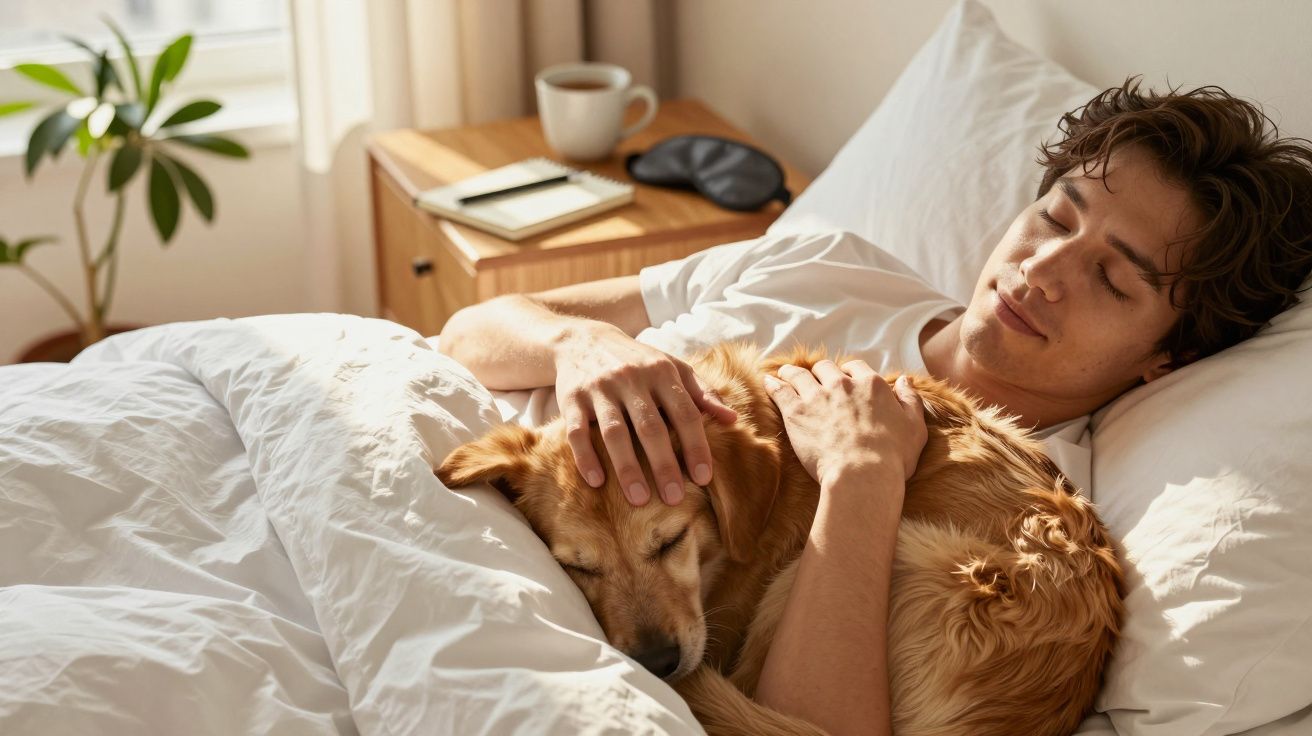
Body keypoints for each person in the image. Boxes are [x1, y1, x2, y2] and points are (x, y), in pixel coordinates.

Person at [437, 78, 1312, 736]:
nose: (1041, 270)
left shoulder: (1048, 500)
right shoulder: (822, 258)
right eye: (1055, 217)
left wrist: (861, 476)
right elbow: (466, 333)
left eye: (1112, 278)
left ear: (1171, 356)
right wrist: (581, 347)